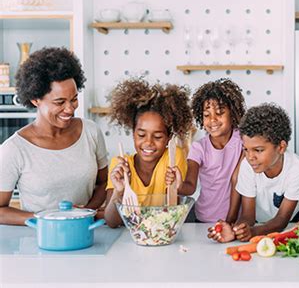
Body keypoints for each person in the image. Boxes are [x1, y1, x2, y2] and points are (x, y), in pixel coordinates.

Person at [0, 47, 108, 225]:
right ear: (35, 99)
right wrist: (49, 220)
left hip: (87, 233)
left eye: (73, 99)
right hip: (40, 242)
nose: (70, 109)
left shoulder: (90, 132)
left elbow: (104, 183)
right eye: (60, 102)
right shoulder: (14, 149)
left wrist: (88, 212)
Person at [209, 103, 299, 242]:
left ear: (281, 147)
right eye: (246, 149)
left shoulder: (298, 169)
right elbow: (248, 216)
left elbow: (281, 220)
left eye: (258, 150)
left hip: (295, 230)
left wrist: (252, 232)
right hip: (262, 229)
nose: (250, 157)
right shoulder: (247, 166)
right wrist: (236, 231)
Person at [104, 78, 193, 228]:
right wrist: (119, 191)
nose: (148, 142)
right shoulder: (119, 164)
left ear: (168, 138)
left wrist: (176, 187)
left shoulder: (173, 157)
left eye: (157, 136)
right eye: (141, 135)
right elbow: (112, 222)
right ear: (133, 133)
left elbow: (171, 215)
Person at [166, 78, 246, 223]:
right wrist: (179, 185)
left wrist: (231, 219)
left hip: (237, 220)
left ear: (233, 113)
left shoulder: (243, 140)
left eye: (220, 112)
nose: (213, 120)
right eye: (207, 115)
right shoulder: (199, 148)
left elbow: (239, 180)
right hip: (204, 219)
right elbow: (190, 187)